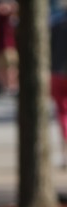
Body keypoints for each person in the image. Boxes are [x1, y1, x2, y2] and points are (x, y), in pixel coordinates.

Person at [50, 0, 67, 169]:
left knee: (62, 114)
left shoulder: (56, 25)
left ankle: (65, 153)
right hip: (58, 73)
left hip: (57, 73)